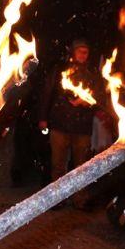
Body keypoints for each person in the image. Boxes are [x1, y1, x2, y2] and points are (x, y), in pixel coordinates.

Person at [38, 38, 101, 209]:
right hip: (60, 124)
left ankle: (79, 199)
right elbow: (47, 93)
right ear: (73, 52)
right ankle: (57, 199)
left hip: (82, 127)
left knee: (81, 166)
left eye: (85, 52)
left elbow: (99, 97)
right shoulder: (60, 71)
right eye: (79, 51)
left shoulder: (93, 73)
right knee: (58, 164)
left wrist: (85, 101)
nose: (82, 54)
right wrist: (43, 118)